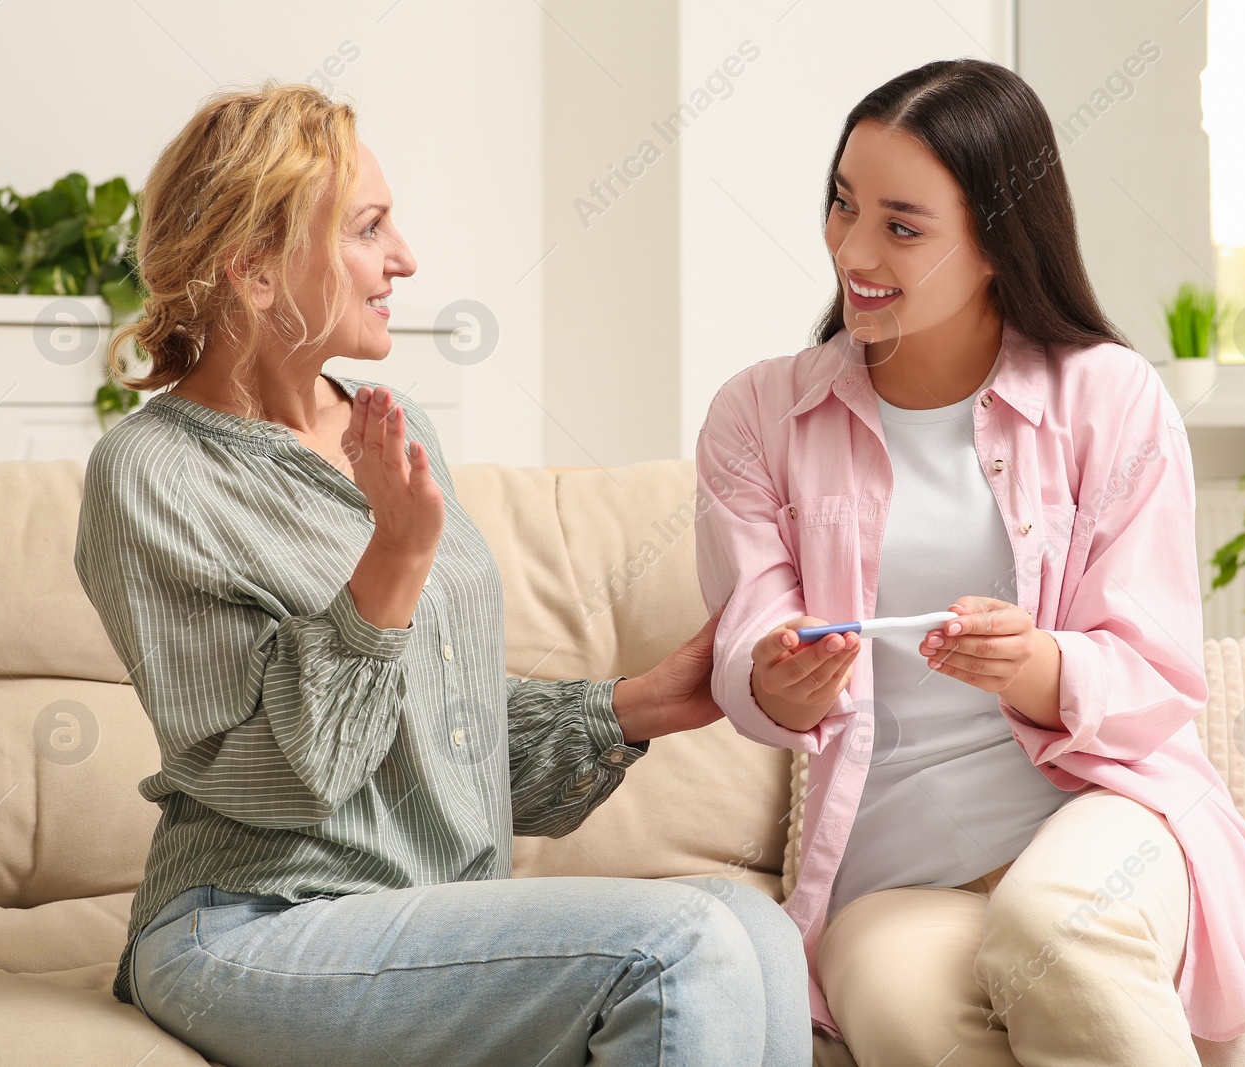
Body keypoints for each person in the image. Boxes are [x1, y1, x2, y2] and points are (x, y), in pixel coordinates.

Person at [74, 82, 811, 1067]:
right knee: (679, 946)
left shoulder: (390, 422)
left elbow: (433, 734)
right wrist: (395, 551)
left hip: (426, 913)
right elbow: (298, 775)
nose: (404, 260)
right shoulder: (153, 474)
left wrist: (636, 705)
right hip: (252, 923)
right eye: (368, 228)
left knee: (752, 929)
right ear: (254, 271)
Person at [693, 59, 1245, 1066]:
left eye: (902, 225)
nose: (851, 248)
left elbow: (1157, 671)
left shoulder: (1108, 397)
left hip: (1099, 810)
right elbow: (748, 646)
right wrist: (775, 676)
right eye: (842, 204)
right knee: (909, 1020)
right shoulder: (760, 416)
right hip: (894, 873)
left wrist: (1034, 665)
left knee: (1055, 928)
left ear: (996, 241)